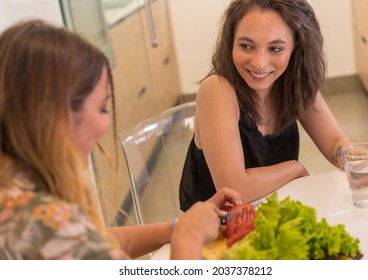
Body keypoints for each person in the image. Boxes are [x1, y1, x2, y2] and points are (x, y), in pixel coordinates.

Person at [0, 19, 242, 260]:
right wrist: (189, 236)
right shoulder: (49, 228)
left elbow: (96, 238)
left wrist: (179, 226)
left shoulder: (21, 202)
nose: (105, 124)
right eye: (102, 108)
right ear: (54, 116)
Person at [179, 0, 368, 211]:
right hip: (217, 230)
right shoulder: (217, 89)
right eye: (246, 46)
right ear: (230, 41)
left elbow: (335, 143)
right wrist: (294, 168)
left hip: (273, 214)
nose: (259, 62)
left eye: (276, 48)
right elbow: (234, 187)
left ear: (295, 45)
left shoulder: (294, 82)